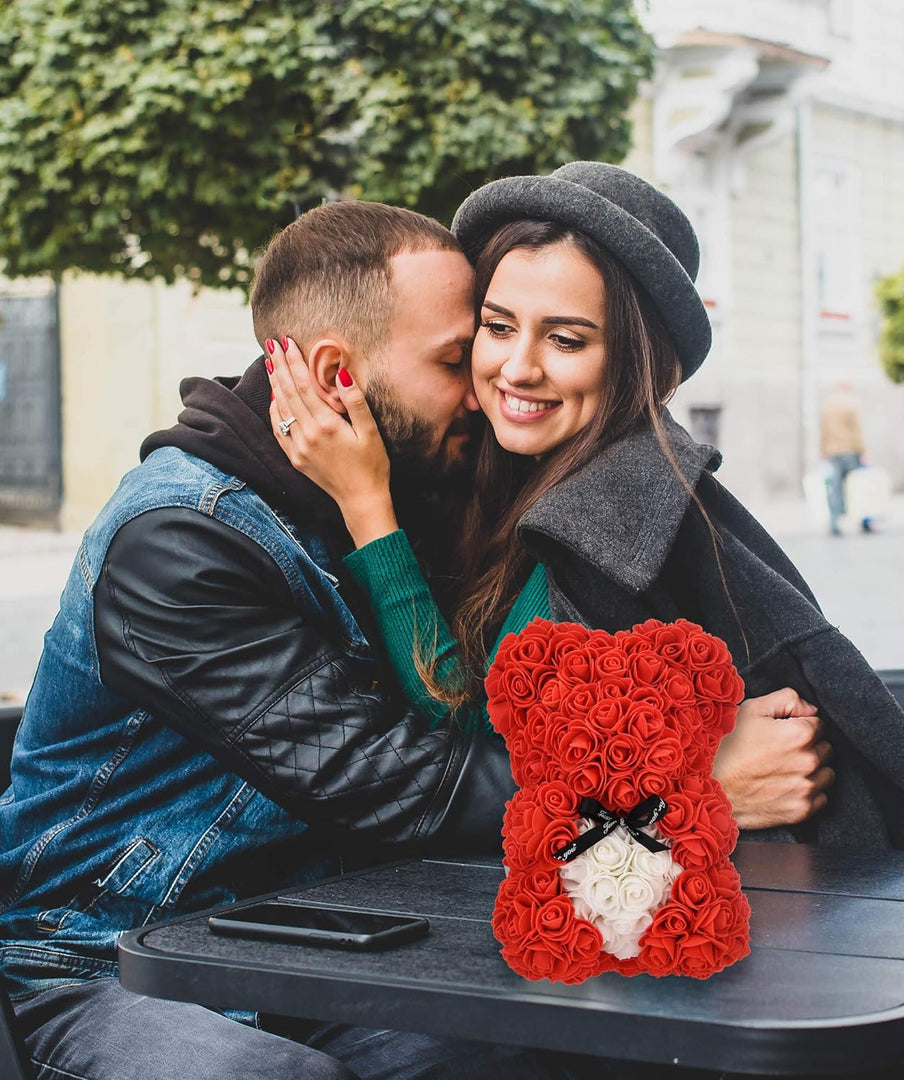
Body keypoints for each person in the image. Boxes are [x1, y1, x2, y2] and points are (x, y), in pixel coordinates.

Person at [0, 201, 611, 1080]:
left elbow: (471, 711)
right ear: (337, 375)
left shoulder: (381, 494)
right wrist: (668, 781)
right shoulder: (180, 539)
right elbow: (396, 786)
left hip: (299, 943)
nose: (481, 388)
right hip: (104, 961)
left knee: (538, 1033)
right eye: (454, 360)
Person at [267, 162, 904, 856]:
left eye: (566, 339)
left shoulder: (612, 520)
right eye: (496, 327)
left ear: (637, 359)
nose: (517, 366)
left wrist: (368, 508)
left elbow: (465, 744)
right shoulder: (520, 476)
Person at [820, 382, 870, 535]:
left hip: (833, 451)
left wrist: (823, 450)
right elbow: (856, 430)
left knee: (835, 489)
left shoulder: (827, 405)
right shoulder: (852, 404)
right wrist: (863, 451)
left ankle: (834, 523)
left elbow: (823, 430)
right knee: (857, 487)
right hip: (850, 450)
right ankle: (863, 521)